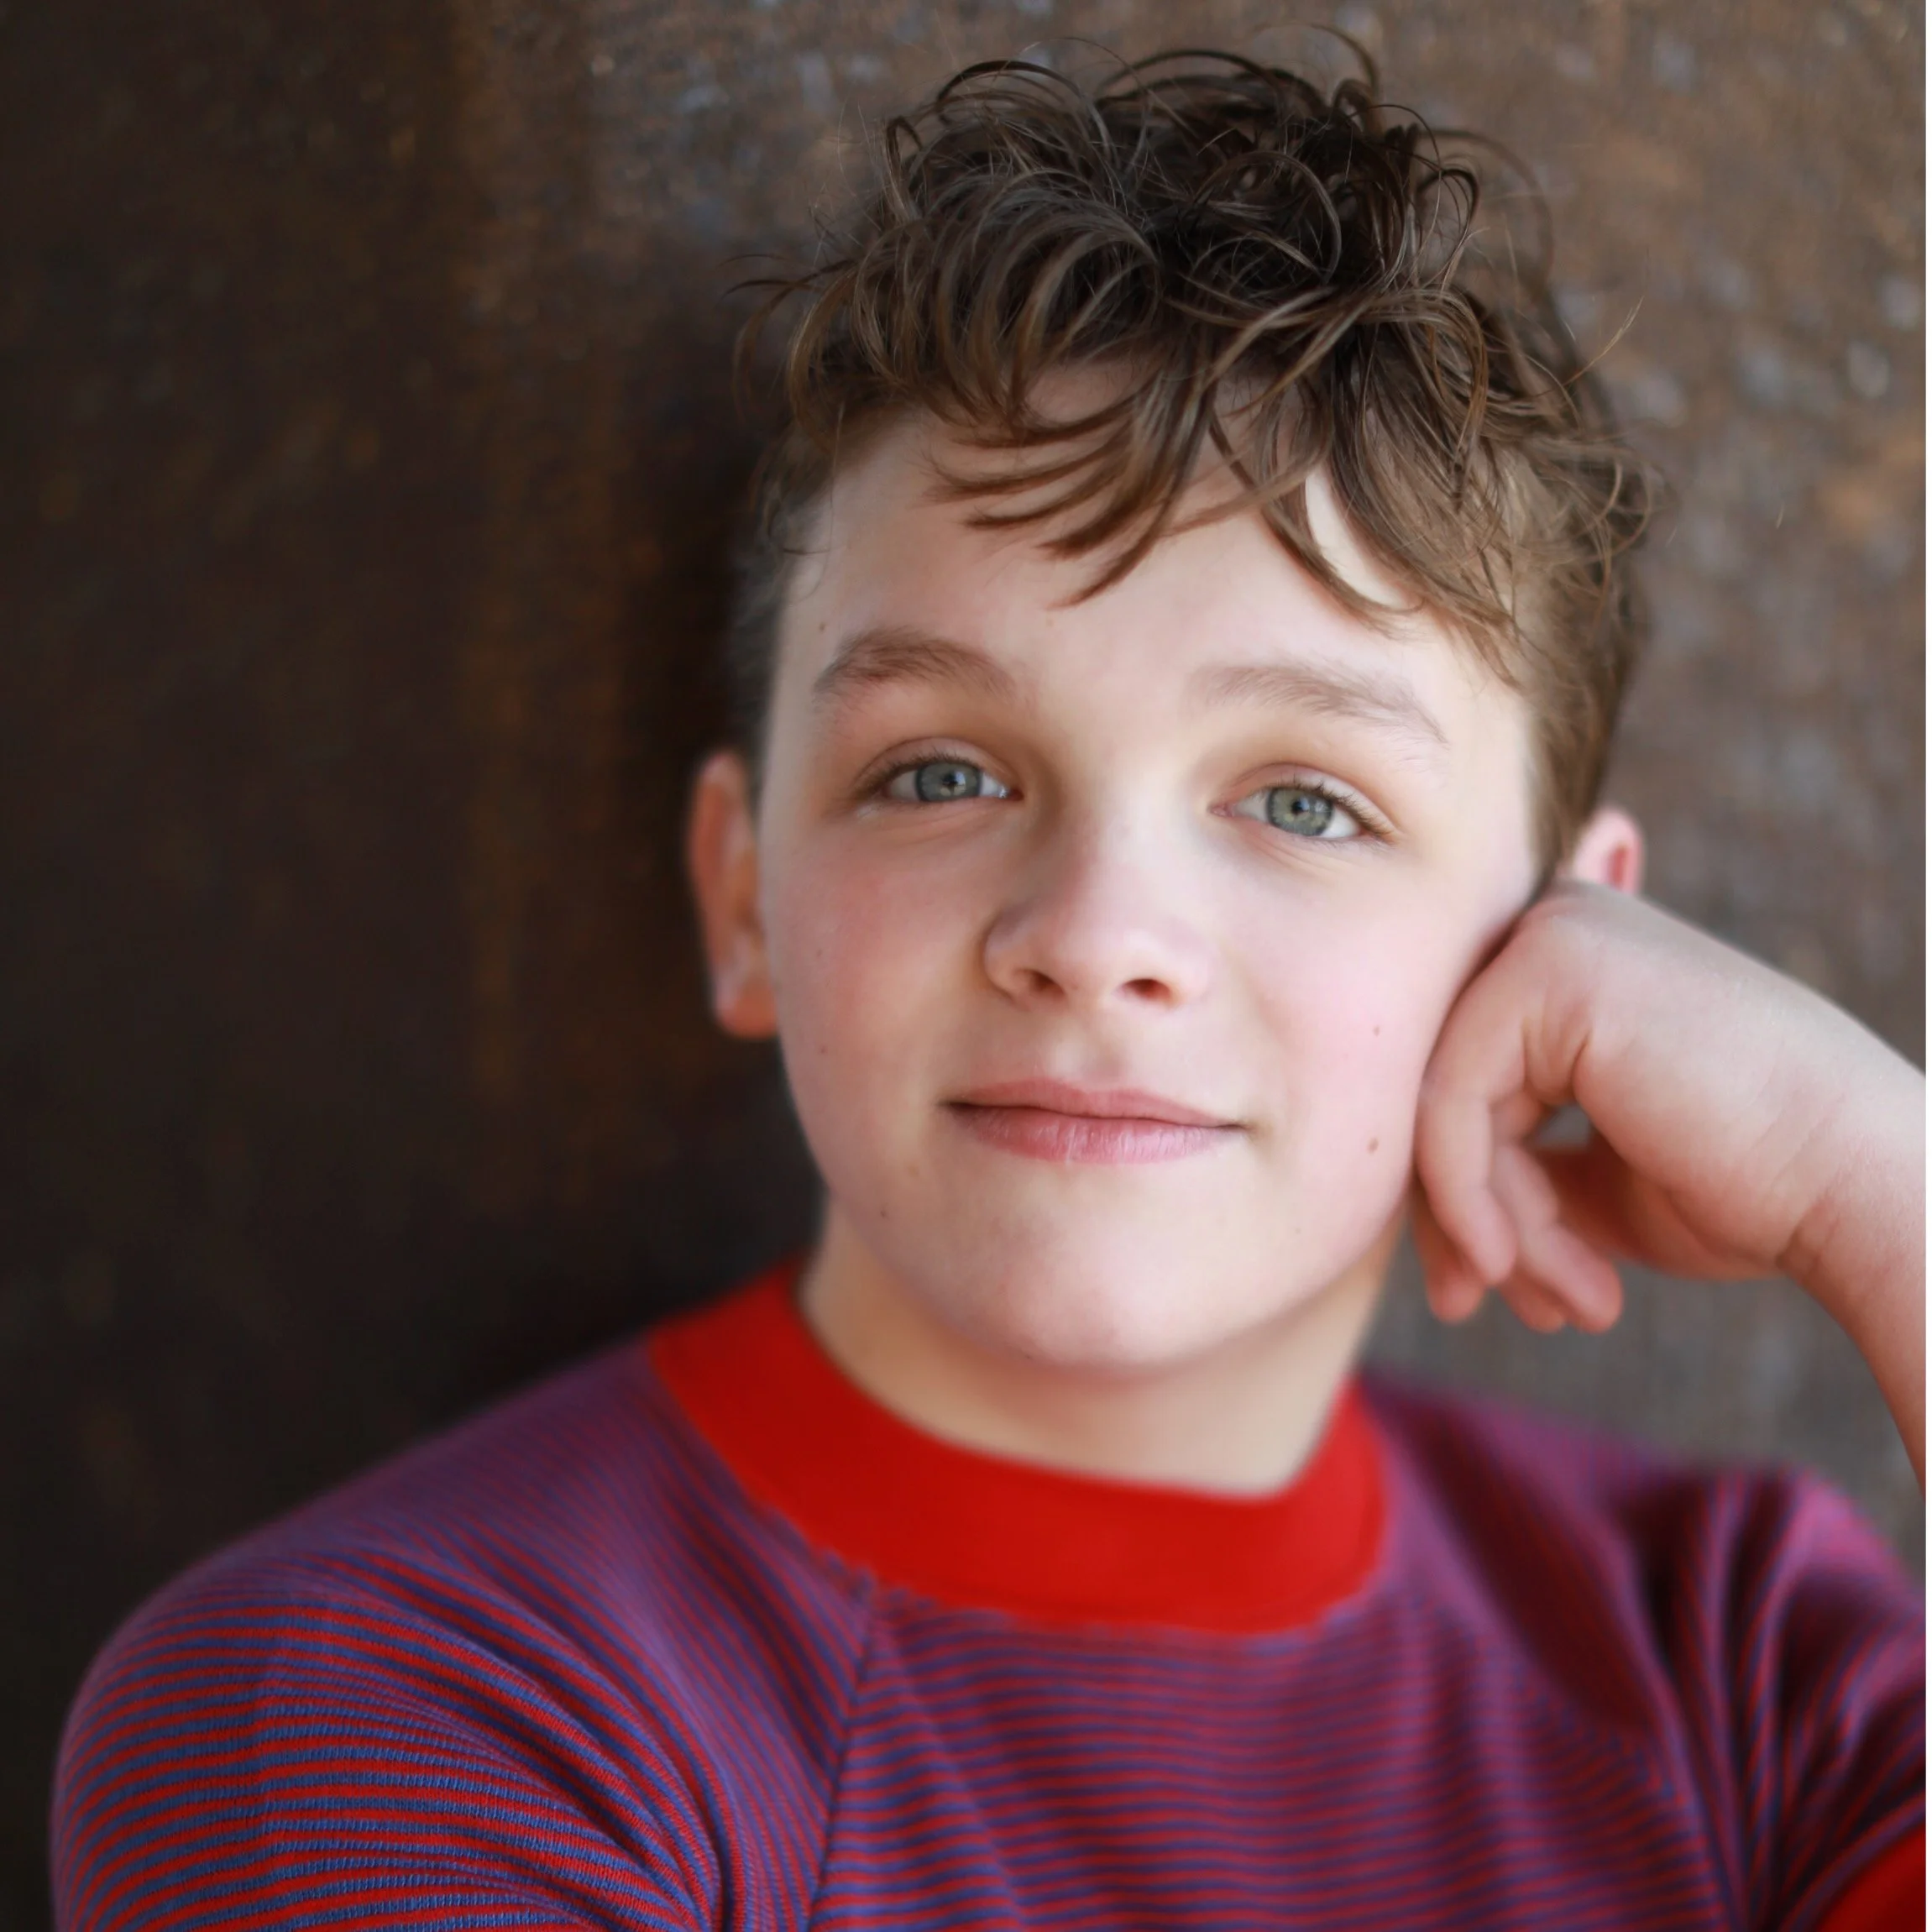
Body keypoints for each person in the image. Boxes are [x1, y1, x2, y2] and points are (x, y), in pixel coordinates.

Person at [53, 49, 1923, 1931]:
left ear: (1564, 947)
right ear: (743, 899)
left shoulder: (1743, 1669)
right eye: (940, 771)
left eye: (1304, 799)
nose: (1094, 927)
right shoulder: (377, 1713)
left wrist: (1884, 1186)